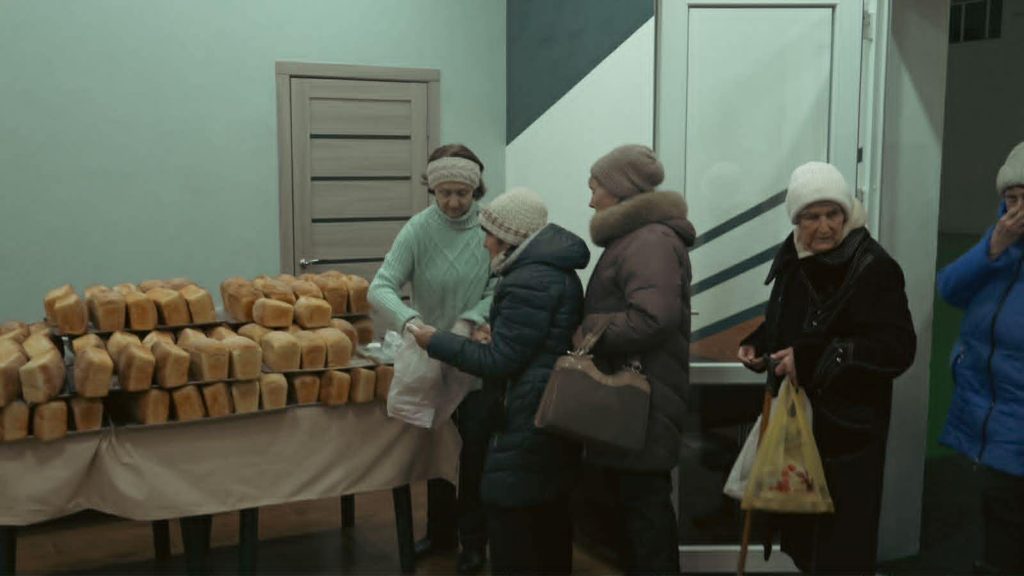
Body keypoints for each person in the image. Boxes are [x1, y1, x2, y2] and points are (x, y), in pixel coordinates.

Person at [737, 161, 916, 573]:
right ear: (796, 219)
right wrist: (760, 345)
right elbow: (796, 319)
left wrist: (815, 358)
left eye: (833, 214)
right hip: (803, 425)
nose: (824, 227)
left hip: (847, 432)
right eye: (811, 217)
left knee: (841, 548)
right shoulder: (798, 256)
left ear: (847, 212)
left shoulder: (873, 267)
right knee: (806, 545)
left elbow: (897, 347)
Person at [408, 187, 589, 575]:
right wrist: (496, 332)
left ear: (510, 238)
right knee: (549, 516)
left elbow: (501, 362)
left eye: (490, 233)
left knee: (512, 520)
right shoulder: (550, 273)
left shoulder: (529, 280)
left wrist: (436, 341)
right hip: (546, 411)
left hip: (525, 413)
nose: (485, 241)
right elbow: (528, 343)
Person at [368, 143, 494, 574]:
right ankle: (439, 534)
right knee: (437, 447)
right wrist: (411, 322)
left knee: (474, 454)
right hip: (430, 355)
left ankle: (473, 542)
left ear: (476, 189)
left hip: (478, 356)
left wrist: (472, 318)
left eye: (463, 193)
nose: (454, 202)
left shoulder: (492, 227)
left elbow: (503, 286)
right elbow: (381, 286)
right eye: (445, 193)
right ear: (432, 190)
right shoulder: (419, 229)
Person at [576, 144, 694, 574]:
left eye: (595, 189)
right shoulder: (639, 238)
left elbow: (654, 318)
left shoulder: (648, 241)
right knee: (634, 517)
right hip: (639, 400)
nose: (590, 200)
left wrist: (587, 333)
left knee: (645, 520)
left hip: (645, 402)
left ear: (620, 190)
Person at [937, 141, 1024, 575]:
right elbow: (950, 289)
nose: (1019, 211)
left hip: (1016, 411)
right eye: (1012, 200)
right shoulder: (998, 244)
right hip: (990, 411)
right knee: (997, 511)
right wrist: (992, 248)